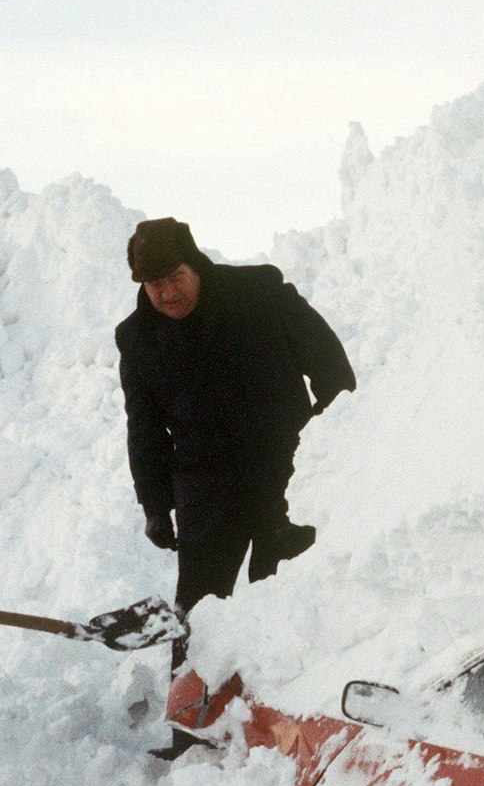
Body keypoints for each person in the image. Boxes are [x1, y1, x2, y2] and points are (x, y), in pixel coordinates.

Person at [114, 217, 355, 615]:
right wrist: (155, 507)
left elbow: (328, 362)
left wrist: (334, 439)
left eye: (176, 277)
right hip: (205, 480)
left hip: (287, 465)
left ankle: (290, 675)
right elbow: (145, 428)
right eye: (154, 284)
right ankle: (193, 677)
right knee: (198, 613)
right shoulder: (137, 338)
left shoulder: (258, 294)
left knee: (286, 596)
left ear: (196, 266)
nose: (168, 293)